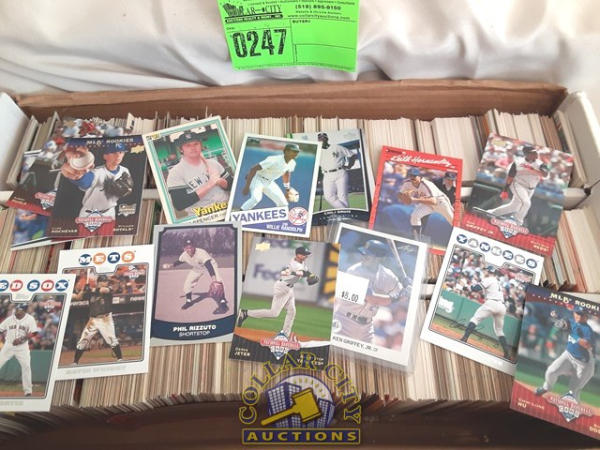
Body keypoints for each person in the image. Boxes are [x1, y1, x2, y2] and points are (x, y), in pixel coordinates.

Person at [333, 240, 403, 343]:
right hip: (344, 321)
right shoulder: (354, 271)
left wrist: (407, 288)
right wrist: (396, 297)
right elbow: (372, 298)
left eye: (368, 254)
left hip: (367, 327)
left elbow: (402, 295)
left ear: (380, 258)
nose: (364, 256)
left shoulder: (387, 275)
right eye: (363, 253)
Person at [236, 246, 312, 339]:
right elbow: (301, 273)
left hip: (289, 288)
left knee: (292, 311)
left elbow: (305, 270)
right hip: (283, 288)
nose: (306, 256)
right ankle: (245, 313)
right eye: (304, 254)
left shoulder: (301, 262)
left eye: (306, 254)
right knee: (274, 313)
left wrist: (310, 274)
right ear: (298, 255)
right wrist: (309, 275)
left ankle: (285, 334)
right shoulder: (295, 264)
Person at [60, 142, 134, 236]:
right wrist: (78, 176)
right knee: (84, 241)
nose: (118, 156)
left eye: (121, 152)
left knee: (106, 241)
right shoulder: (97, 172)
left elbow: (128, 189)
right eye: (113, 152)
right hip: (88, 215)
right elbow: (86, 182)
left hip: (109, 213)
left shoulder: (125, 170)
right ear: (105, 156)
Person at [535, 306, 596, 402]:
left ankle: (575, 408)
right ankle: (546, 388)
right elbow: (563, 320)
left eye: (582, 314)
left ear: (586, 316)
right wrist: (556, 316)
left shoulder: (588, 330)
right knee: (551, 372)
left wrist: (573, 334)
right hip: (568, 355)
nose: (579, 316)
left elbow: (586, 344)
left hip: (584, 364)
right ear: (574, 313)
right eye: (577, 313)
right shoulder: (572, 321)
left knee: (573, 391)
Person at [166, 131, 231, 216]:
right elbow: (180, 204)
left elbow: (232, 185)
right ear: (181, 149)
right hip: (202, 216)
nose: (193, 148)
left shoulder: (213, 163)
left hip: (225, 209)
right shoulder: (175, 172)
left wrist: (220, 181)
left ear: (201, 145)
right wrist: (210, 184)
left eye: (196, 144)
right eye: (188, 145)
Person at [485, 145, 549, 226]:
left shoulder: (540, 164)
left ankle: (491, 213)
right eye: (533, 152)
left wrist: (531, 169)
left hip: (531, 188)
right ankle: (518, 222)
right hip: (518, 184)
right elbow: (510, 177)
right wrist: (505, 190)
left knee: (514, 207)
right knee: (526, 203)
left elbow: (545, 175)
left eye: (535, 152)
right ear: (526, 154)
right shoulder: (517, 162)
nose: (536, 154)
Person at [460, 266, 512, 360]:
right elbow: (478, 289)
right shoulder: (497, 281)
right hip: (501, 306)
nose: (485, 271)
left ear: (489, 271)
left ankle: (464, 338)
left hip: (492, 303)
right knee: (499, 330)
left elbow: (476, 288)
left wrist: (466, 286)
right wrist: (468, 287)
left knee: (475, 319)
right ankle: (507, 353)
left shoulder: (489, 279)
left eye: (486, 270)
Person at [72, 275, 123, 365]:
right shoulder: (90, 292)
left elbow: (103, 290)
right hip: (93, 320)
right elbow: (78, 297)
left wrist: (90, 289)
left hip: (106, 319)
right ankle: (75, 362)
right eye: (104, 281)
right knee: (83, 340)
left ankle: (120, 359)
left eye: (106, 281)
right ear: (99, 282)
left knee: (111, 339)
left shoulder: (108, 289)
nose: (106, 282)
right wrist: (83, 290)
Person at [167, 239, 229, 313]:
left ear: (194, 247)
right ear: (184, 248)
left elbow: (209, 266)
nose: (189, 249)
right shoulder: (184, 255)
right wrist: (171, 265)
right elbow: (180, 261)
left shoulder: (201, 253)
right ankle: (189, 301)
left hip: (211, 265)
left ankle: (223, 303)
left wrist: (214, 280)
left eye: (191, 247)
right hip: (198, 268)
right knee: (188, 283)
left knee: (218, 282)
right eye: (187, 248)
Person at [398, 168, 454, 241]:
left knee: (453, 221)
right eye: (410, 175)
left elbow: (433, 201)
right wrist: (404, 198)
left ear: (420, 176)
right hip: (426, 203)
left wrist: (414, 200)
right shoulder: (407, 183)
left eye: (414, 176)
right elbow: (400, 194)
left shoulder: (426, 184)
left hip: (440, 202)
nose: (412, 177)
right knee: (415, 216)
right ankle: (417, 240)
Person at [240, 143, 300, 210]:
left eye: (297, 151)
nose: (296, 153)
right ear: (286, 151)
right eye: (294, 151)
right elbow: (253, 169)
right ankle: (240, 212)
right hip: (257, 178)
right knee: (256, 199)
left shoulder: (292, 163)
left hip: (270, 182)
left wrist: (287, 189)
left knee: (283, 204)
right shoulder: (274, 160)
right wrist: (247, 187)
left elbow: (286, 174)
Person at [0, 304, 38, 396]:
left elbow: (34, 333)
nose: (17, 311)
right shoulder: (10, 319)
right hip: (9, 345)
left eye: (20, 310)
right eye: (17, 309)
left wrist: (21, 339)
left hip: (22, 347)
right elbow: (0, 329)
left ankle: (28, 391)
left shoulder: (30, 319)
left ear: (25, 311)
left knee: (26, 367)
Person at [317, 132, 357, 209]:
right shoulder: (317, 152)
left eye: (323, 138)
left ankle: (344, 214)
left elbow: (352, 155)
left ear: (327, 139)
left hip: (340, 173)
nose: (321, 140)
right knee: (328, 196)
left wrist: (349, 166)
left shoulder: (337, 147)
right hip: (327, 175)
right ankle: (346, 212)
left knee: (343, 197)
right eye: (320, 139)